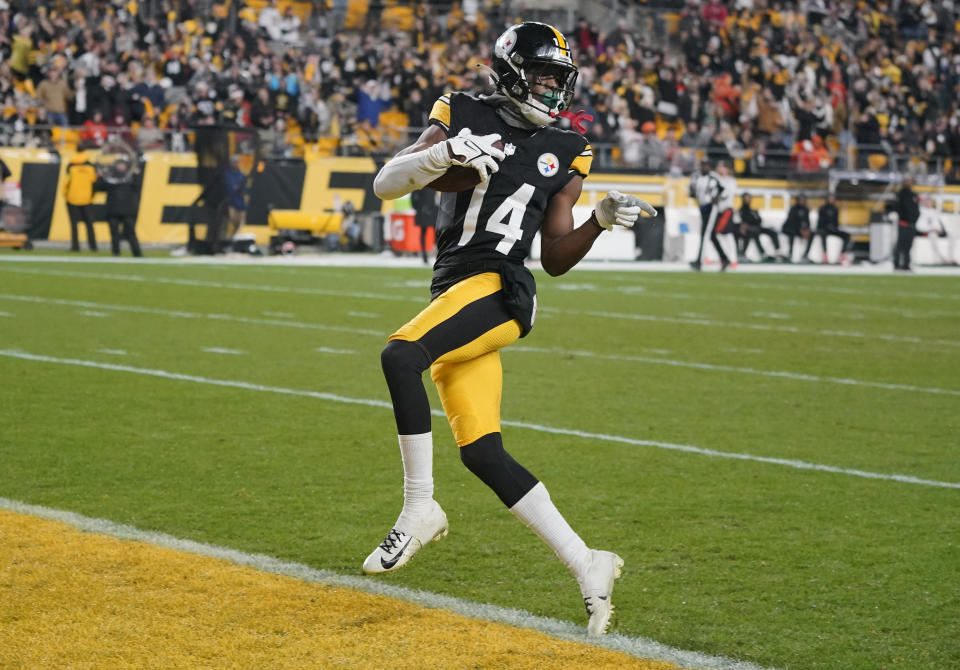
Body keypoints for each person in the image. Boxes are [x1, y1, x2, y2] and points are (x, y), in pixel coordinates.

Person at [365, 21, 655, 638]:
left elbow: (553, 255)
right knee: (483, 453)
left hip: (501, 289)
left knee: (400, 356)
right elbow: (386, 183)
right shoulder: (463, 110)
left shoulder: (565, 146)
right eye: (542, 73)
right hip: (456, 288)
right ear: (509, 70)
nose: (551, 86)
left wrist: (598, 220)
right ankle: (588, 563)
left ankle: (420, 507)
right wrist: (442, 155)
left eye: (559, 78)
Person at [98, 156, 143, 257]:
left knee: (131, 233)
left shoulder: (130, 176)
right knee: (114, 233)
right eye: (119, 164)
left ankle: (137, 253)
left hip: (127, 210)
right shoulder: (110, 177)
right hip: (113, 209)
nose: (121, 166)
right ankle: (116, 253)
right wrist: (100, 177)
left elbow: (137, 187)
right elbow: (100, 187)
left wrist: (137, 175)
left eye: (122, 164)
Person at [688, 158, 724, 270]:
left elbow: (723, 190)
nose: (705, 167)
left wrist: (716, 198)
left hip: (711, 207)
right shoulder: (696, 176)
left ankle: (699, 261)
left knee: (705, 234)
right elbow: (691, 191)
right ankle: (725, 258)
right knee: (711, 235)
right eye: (703, 164)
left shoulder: (714, 177)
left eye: (707, 165)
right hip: (702, 207)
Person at [63, 144, 99, 252]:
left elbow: (66, 181)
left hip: (72, 198)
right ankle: (93, 246)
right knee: (89, 224)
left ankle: (75, 246)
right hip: (87, 199)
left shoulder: (71, 165)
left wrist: (65, 194)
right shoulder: (90, 166)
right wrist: (92, 196)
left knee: (74, 224)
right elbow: (94, 182)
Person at [706, 160, 738, 270]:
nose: (719, 169)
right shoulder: (717, 180)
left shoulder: (730, 181)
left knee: (727, 234)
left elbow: (725, 194)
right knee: (715, 234)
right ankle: (717, 257)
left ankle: (733, 259)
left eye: (722, 167)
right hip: (718, 211)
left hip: (726, 210)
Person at [737, 192, 781, 261]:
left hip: (757, 227)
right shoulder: (741, 210)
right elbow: (745, 221)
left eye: (749, 198)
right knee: (754, 233)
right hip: (750, 229)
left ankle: (778, 252)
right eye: (746, 198)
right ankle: (762, 253)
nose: (747, 200)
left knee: (773, 232)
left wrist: (754, 221)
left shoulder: (753, 210)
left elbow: (759, 220)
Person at [814, 194, 851, 264]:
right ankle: (825, 255)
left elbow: (836, 222)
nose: (832, 200)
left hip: (833, 229)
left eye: (833, 198)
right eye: (830, 198)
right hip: (824, 229)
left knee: (846, 235)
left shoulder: (835, 209)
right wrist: (827, 227)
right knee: (823, 235)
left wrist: (834, 228)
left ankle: (842, 254)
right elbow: (820, 222)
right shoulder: (822, 208)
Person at [893, 176, 920, 271]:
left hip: (912, 223)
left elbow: (916, 209)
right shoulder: (901, 194)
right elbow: (898, 207)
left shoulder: (913, 194)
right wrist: (904, 218)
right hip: (904, 222)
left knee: (908, 245)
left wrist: (914, 219)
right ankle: (896, 264)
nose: (909, 183)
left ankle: (906, 264)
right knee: (901, 244)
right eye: (908, 181)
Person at [781, 194, 813, 262]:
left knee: (812, 234)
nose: (803, 201)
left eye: (804, 200)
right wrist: (801, 230)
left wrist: (807, 230)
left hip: (800, 230)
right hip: (790, 228)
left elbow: (807, 221)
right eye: (802, 200)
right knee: (791, 234)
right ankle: (790, 254)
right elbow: (792, 222)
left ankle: (805, 254)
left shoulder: (806, 209)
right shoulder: (793, 209)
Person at [410, 187, 438, 264]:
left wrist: (418, 207)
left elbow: (413, 199)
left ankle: (428, 253)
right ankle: (426, 254)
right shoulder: (431, 183)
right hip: (428, 210)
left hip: (425, 210)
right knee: (431, 231)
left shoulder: (419, 184)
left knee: (430, 232)